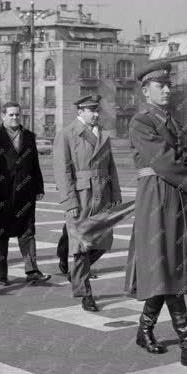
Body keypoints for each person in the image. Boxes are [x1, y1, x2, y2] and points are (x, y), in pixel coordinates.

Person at [124, 62, 187, 371]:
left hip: (174, 198)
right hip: (157, 199)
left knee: (168, 266)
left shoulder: (171, 121)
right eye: (159, 86)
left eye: (168, 85)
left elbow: (185, 155)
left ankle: (144, 329)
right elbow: (164, 161)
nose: (166, 90)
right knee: (166, 266)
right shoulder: (142, 121)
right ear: (145, 90)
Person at [53, 94, 122, 311]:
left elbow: (111, 166)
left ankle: (74, 272)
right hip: (81, 197)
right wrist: (69, 201)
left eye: (97, 110)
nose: (96, 114)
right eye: (91, 110)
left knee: (102, 243)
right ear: (80, 111)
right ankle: (86, 294)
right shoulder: (66, 134)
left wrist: (116, 194)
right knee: (82, 247)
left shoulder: (102, 134)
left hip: (103, 197)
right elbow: (62, 172)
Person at [0, 102, 51, 285]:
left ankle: (32, 271)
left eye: (17, 114)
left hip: (25, 193)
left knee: (28, 231)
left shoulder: (29, 136)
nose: (15, 118)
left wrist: (39, 188)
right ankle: (2, 275)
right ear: (2, 116)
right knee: (2, 235)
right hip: (1, 195)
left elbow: (35, 165)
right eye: (11, 115)